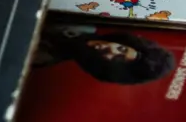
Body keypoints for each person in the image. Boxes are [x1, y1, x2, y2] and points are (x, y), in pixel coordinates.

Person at [35, 22, 176, 85]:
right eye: (122, 49)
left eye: (118, 59)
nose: (111, 50)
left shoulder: (43, 57)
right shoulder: (84, 22)